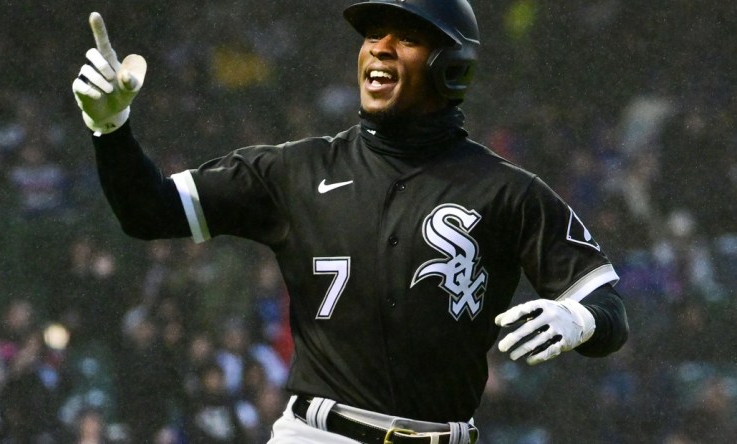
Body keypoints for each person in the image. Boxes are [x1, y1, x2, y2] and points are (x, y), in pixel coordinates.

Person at [71, 1, 629, 443]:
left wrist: (580, 319)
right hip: (317, 435)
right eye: (372, 36)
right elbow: (147, 211)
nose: (379, 50)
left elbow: (607, 305)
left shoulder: (508, 191)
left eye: (406, 38)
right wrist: (111, 129)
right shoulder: (295, 170)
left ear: (450, 64)